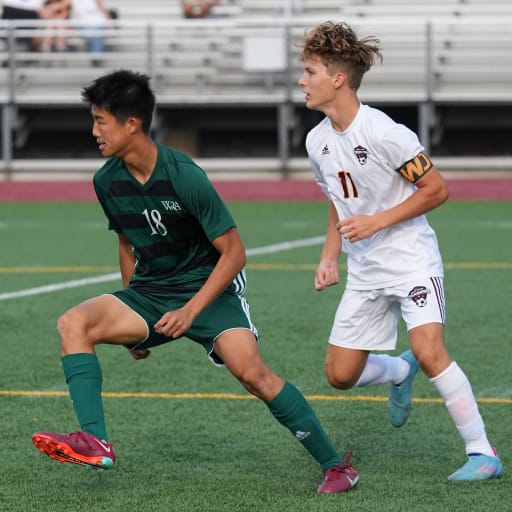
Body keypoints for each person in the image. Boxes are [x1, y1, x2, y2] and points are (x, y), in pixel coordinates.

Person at [31, 69, 359, 494]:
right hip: (151, 293)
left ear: (132, 123)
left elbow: (235, 253)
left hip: (213, 289)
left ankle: (336, 466)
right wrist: (135, 314)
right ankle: (95, 441)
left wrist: (191, 310)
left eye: (100, 121)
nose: (93, 131)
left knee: (252, 374)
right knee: (73, 323)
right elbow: (128, 243)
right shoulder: (105, 180)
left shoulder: (184, 175)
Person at [298, 21, 502, 482]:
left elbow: (436, 189)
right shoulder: (317, 141)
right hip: (365, 269)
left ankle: (481, 453)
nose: (301, 81)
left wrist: (378, 221)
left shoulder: (387, 132)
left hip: (411, 258)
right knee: (339, 374)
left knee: (429, 351)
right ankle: (395, 372)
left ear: (338, 79)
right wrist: (330, 255)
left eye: (309, 71)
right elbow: (337, 202)